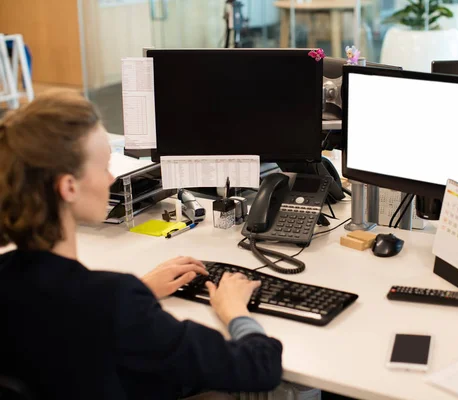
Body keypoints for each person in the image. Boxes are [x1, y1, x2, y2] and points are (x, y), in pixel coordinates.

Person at [0, 90, 283, 399]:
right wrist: (235, 312)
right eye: (104, 166)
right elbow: (260, 367)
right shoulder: (112, 301)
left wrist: (140, 291)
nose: (111, 179)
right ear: (68, 187)